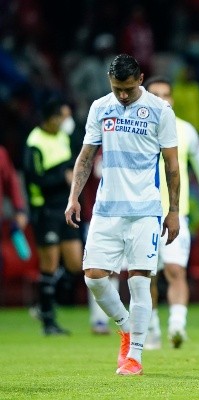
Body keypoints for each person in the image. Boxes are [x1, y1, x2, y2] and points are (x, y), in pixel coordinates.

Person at [65, 54, 180, 376]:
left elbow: (172, 165)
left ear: (140, 79)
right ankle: (127, 326)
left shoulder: (160, 111)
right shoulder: (100, 107)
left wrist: (173, 211)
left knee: (140, 283)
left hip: (145, 210)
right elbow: (86, 157)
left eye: (128, 88)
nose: (123, 95)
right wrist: (74, 197)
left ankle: (135, 356)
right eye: (117, 88)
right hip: (106, 210)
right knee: (94, 277)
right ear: (109, 81)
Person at [143, 76, 199, 350]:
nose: (161, 100)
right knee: (145, 276)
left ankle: (177, 326)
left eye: (165, 95)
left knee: (175, 269)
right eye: (155, 95)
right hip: (141, 214)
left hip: (174, 213)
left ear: (172, 99)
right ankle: (153, 327)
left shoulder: (185, 131)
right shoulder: (134, 129)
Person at [23, 97, 84, 336]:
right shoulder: (34, 143)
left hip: (65, 207)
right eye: (63, 117)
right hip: (45, 209)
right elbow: (35, 180)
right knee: (48, 265)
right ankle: (48, 321)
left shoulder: (62, 137)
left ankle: (42, 305)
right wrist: (62, 177)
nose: (66, 122)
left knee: (75, 263)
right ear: (51, 118)